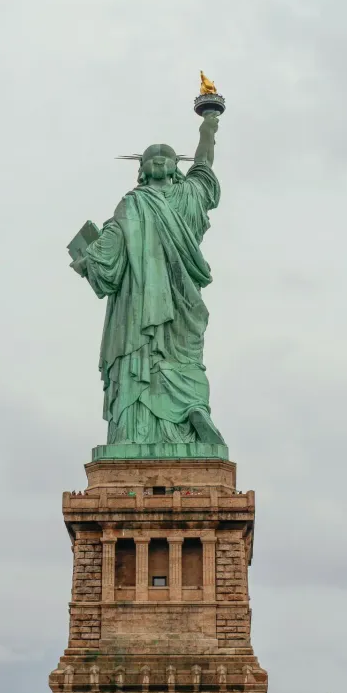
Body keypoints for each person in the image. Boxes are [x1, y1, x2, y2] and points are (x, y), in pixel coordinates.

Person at [71, 112, 225, 446]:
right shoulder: (157, 200)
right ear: (144, 168)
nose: (159, 159)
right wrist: (209, 121)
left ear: (173, 166)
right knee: (181, 359)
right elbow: (204, 161)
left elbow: (106, 257)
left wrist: (87, 260)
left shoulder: (140, 202)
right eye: (154, 156)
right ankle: (190, 410)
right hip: (166, 297)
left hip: (146, 302)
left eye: (165, 155)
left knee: (146, 354)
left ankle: (136, 429)